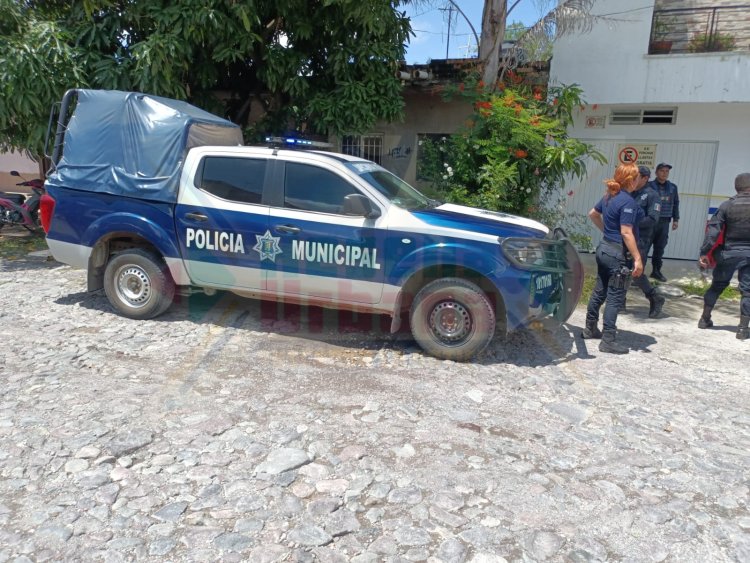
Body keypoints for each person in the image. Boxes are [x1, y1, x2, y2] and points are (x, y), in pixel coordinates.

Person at [582, 162, 645, 354]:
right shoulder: (628, 202)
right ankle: (608, 340)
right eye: (636, 178)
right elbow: (627, 232)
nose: (638, 181)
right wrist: (638, 258)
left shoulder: (609, 196)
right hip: (617, 253)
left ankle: (590, 328)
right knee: (615, 296)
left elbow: (593, 214)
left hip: (604, 249)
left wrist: (607, 232)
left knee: (600, 289)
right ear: (630, 181)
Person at [697, 172, 750, 340]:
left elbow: (713, 232)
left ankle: (704, 319)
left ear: (736, 187)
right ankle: (742, 329)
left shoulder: (727, 205)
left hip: (728, 253)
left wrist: (704, 252)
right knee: (747, 292)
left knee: (717, 286)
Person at [627, 165, 665, 318]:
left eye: (636, 177)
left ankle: (655, 297)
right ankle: (619, 301)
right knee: (622, 269)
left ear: (645, 178)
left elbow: (652, 219)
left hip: (641, 239)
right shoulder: (630, 192)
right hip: (626, 237)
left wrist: (630, 224)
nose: (633, 180)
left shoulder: (652, 195)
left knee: (637, 273)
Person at [647, 163, 679, 282]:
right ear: (656, 172)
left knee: (660, 248)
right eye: (662, 171)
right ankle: (637, 274)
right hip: (650, 221)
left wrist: (676, 219)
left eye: (667, 171)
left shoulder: (672, 187)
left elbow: (676, 203)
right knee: (644, 247)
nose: (664, 173)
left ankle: (656, 271)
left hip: (664, 221)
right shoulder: (648, 186)